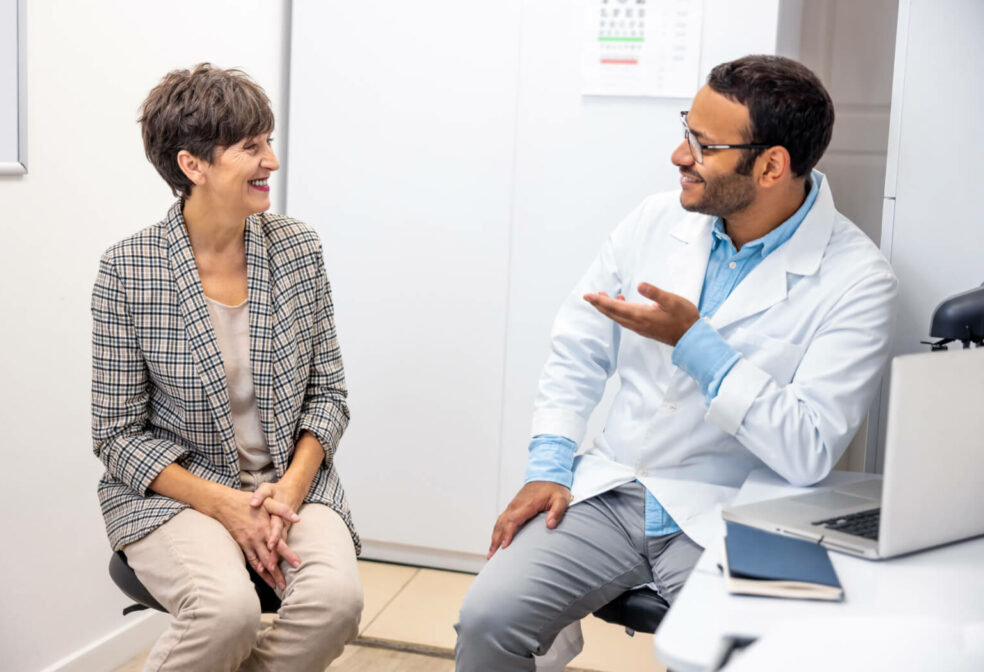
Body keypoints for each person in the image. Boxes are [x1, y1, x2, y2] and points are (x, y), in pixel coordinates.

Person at [455, 55, 898, 670]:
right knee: (485, 620)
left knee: (745, 657)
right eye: (686, 128)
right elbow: (579, 344)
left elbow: (809, 447)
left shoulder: (858, 279)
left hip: (735, 510)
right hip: (614, 489)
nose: (679, 156)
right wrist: (550, 464)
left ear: (772, 165)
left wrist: (697, 344)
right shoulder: (653, 221)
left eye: (703, 144)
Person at [91, 64, 362, 672]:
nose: (272, 161)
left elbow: (330, 394)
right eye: (251, 147)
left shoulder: (298, 249)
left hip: (292, 485)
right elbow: (116, 435)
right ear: (194, 166)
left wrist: (288, 489)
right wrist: (225, 503)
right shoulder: (128, 270)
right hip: (177, 494)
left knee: (336, 601)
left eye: (269, 141)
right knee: (224, 613)